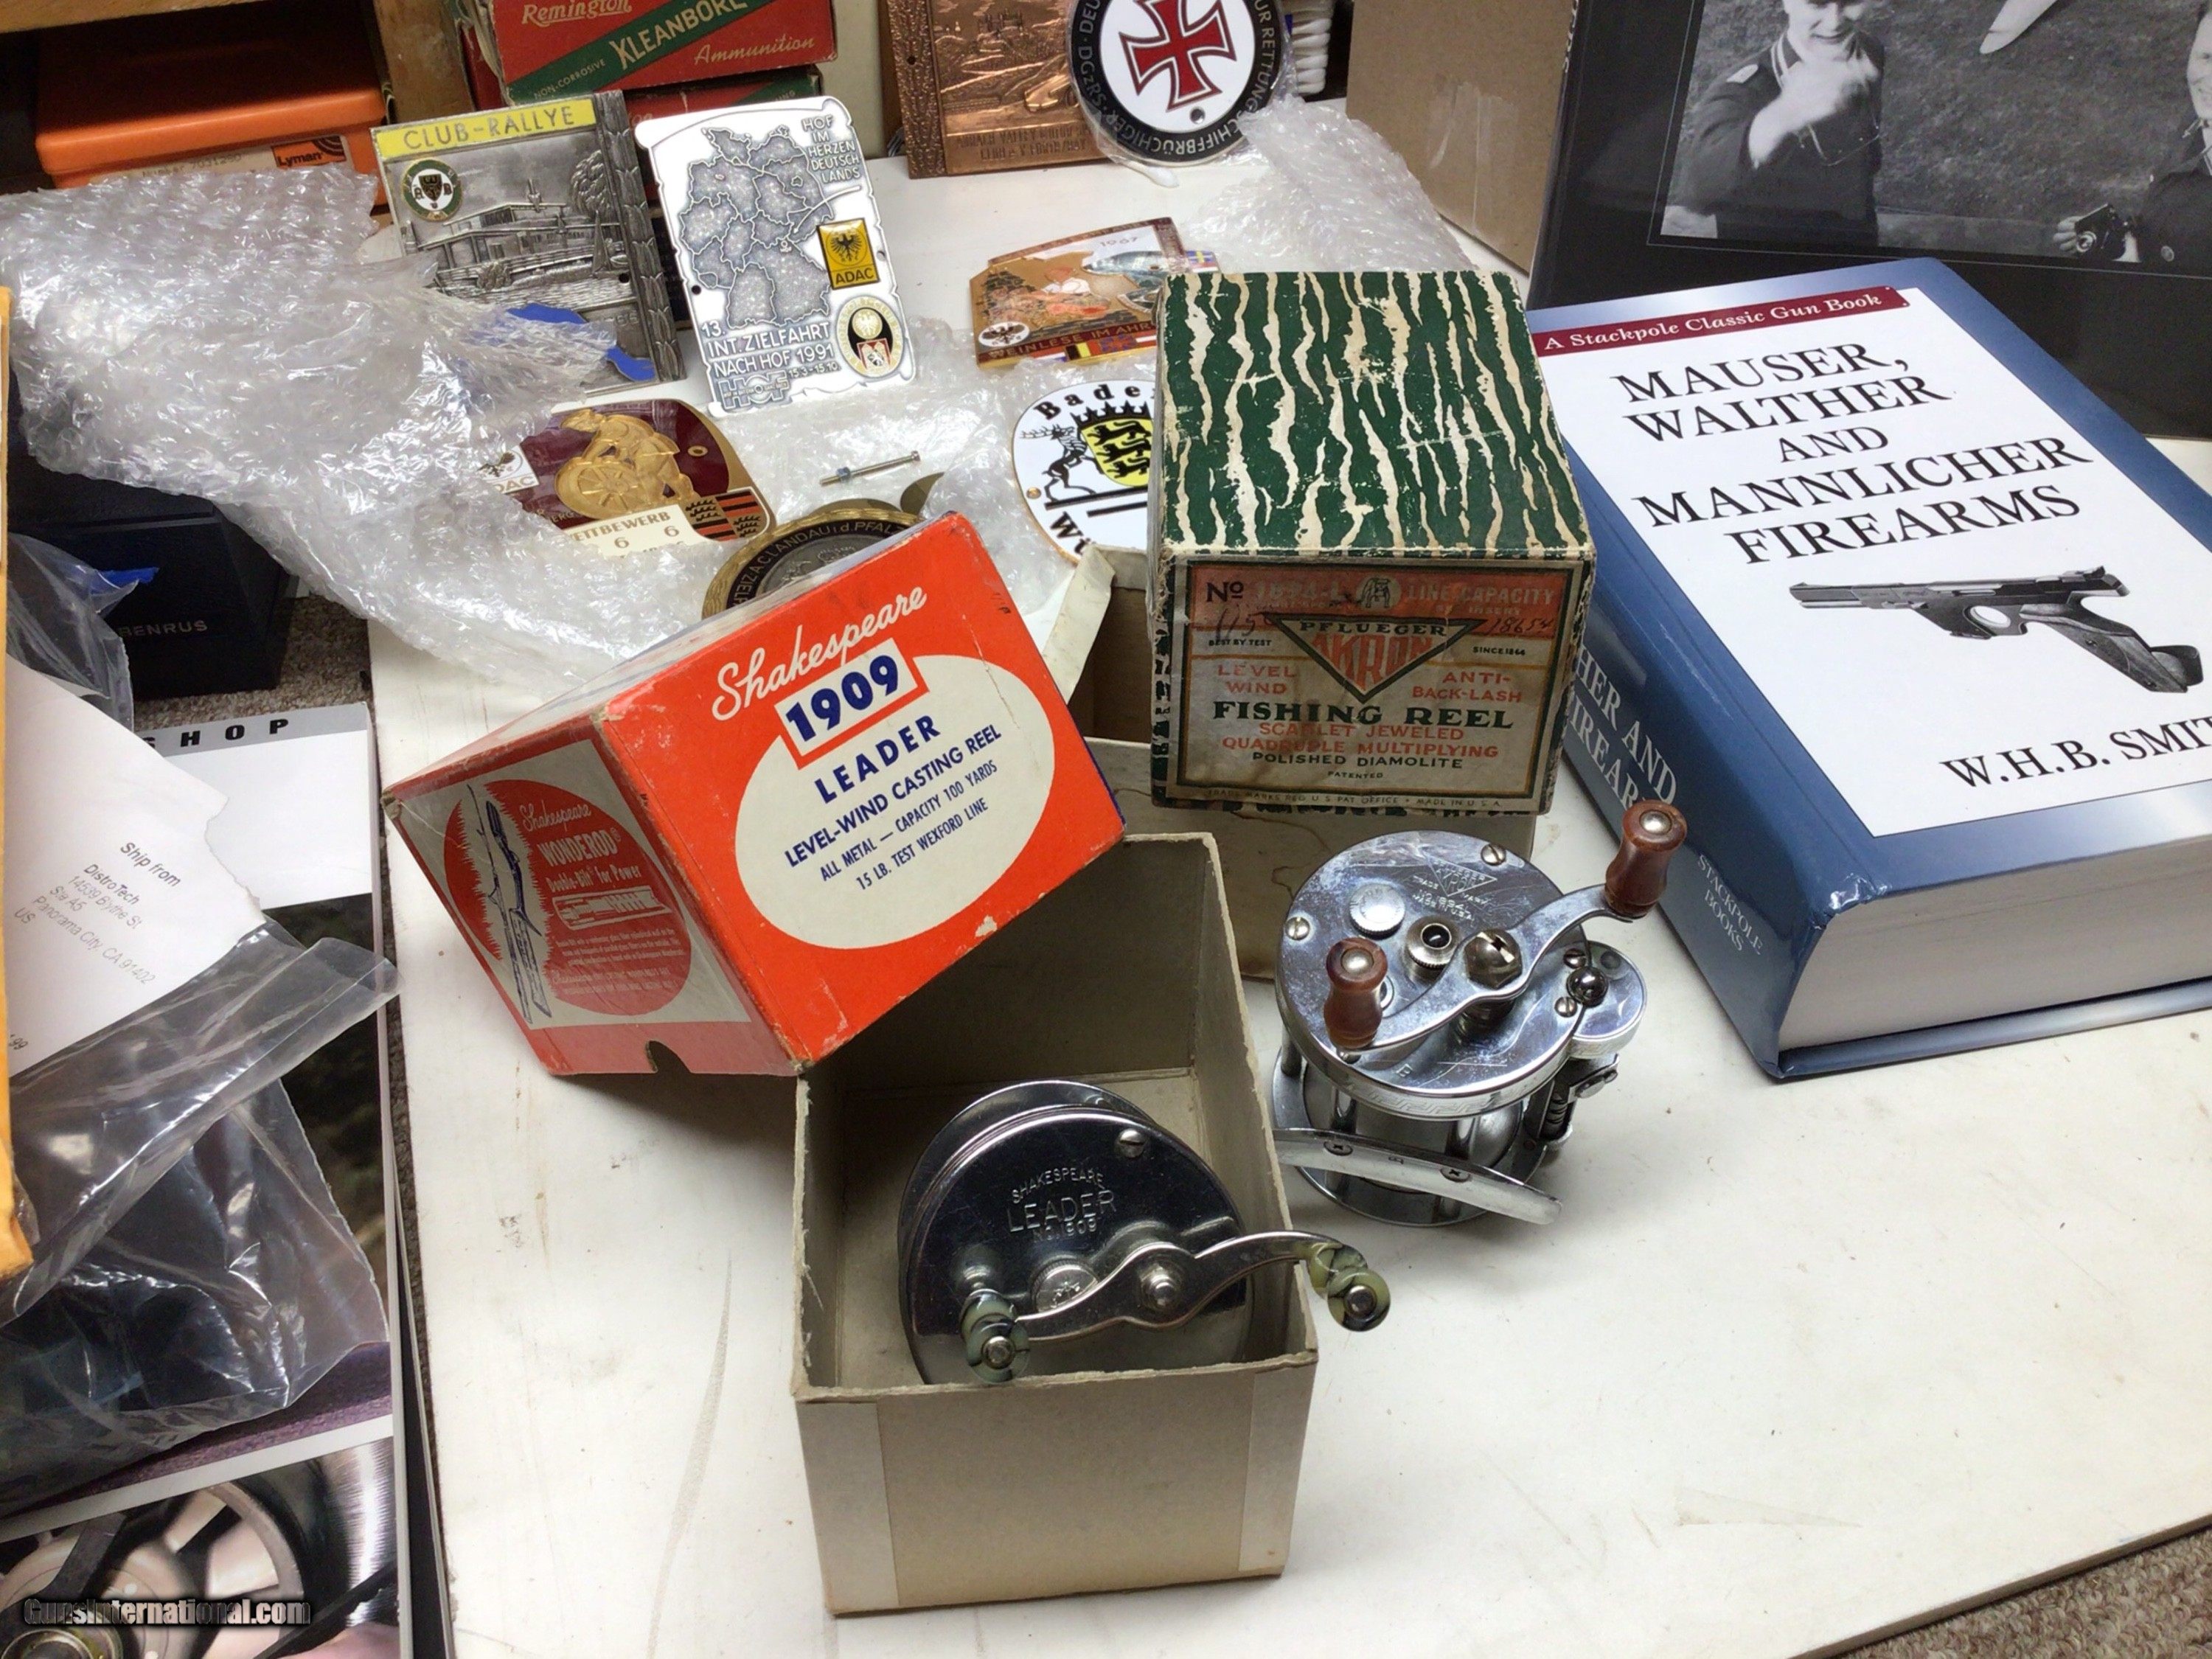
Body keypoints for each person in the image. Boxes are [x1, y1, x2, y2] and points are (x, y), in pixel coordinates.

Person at [1674, 0, 1885, 248]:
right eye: (1817, 4)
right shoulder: (1741, 91)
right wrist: (1780, 117)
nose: (1834, 22)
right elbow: (1698, 189)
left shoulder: (1867, 50)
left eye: (1850, 2)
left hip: (1858, 239)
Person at [2059, 1, 2212, 271]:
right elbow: (2177, 207)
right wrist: (2117, 235)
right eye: (2207, 57)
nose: (2209, 80)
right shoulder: (2199, 116)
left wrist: (2132, 268)